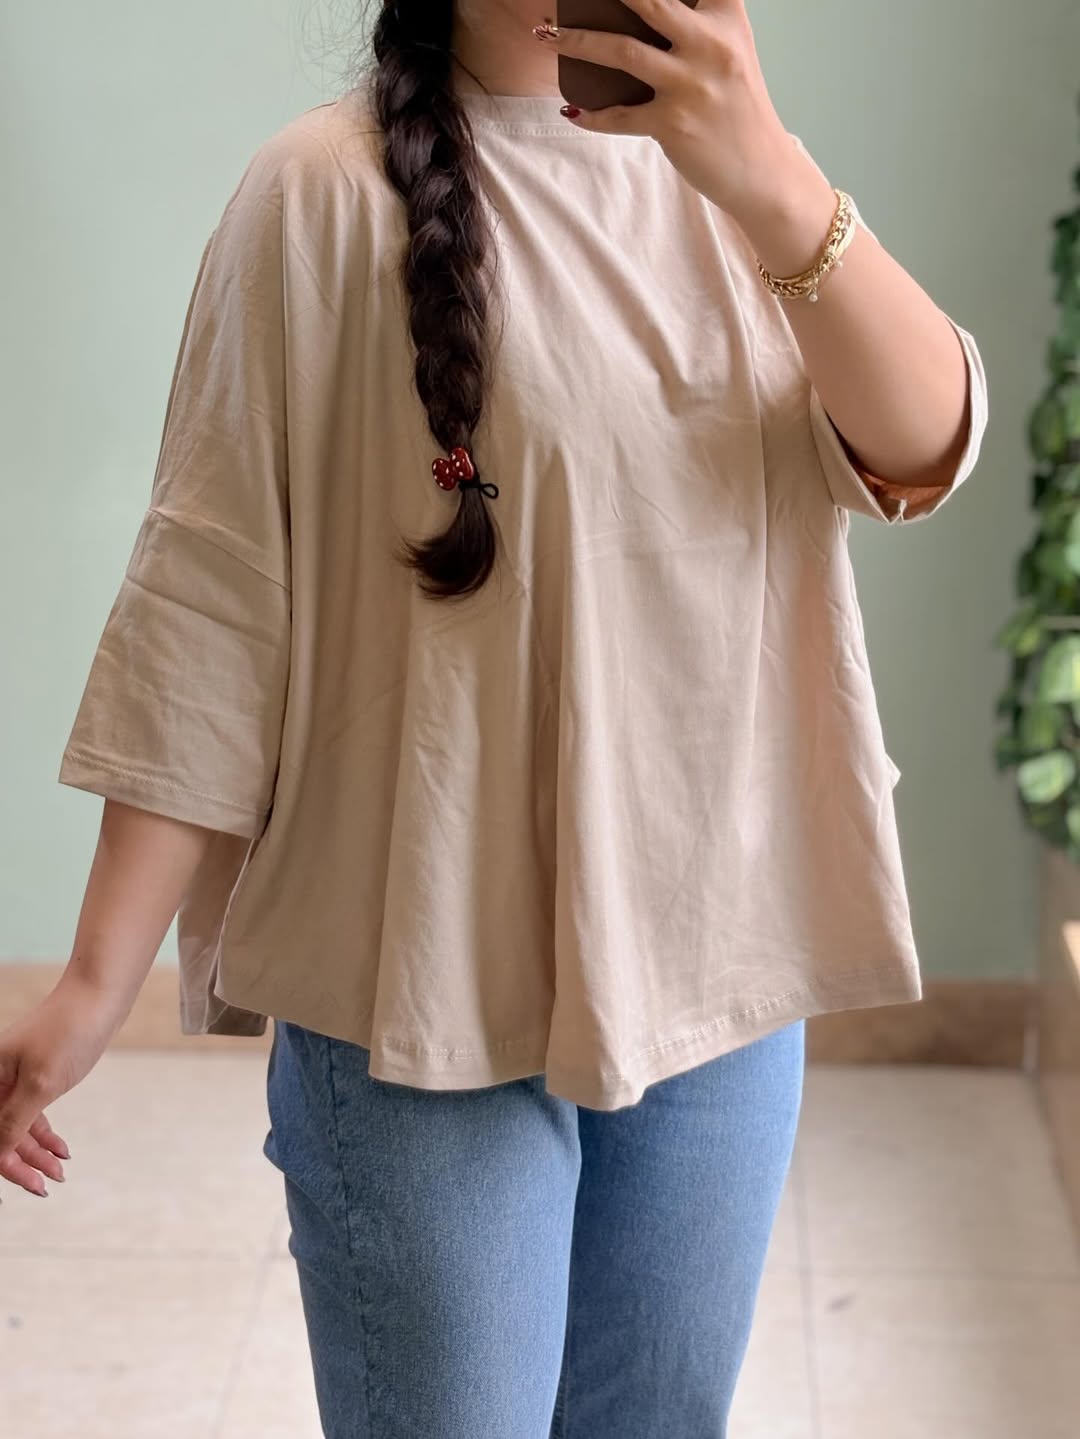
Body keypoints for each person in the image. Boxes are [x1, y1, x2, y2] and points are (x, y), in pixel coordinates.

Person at [1, 0, 988, 1433]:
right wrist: (97, 983)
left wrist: (769, 172)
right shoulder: (319, 195)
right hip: (417, 984)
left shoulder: (737, 180)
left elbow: (924, 444)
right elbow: (212, 607)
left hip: (715, 963)